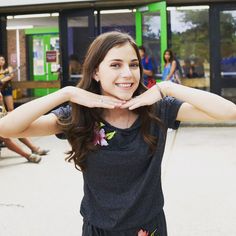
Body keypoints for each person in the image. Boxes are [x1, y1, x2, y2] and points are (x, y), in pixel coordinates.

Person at [0, 31, 235, 235]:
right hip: (98, 228)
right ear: (95, 72)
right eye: (115, 65)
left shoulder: (157, 110)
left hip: (147, 228)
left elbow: (228, 112)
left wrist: (167, 87)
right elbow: (6, 127)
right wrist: (67, 93)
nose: (128, 73)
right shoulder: (79, 115)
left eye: (134, 64)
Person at [0, 56, 49, 158]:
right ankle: (28, 155)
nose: (1, 61)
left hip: (5, 95)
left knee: (14, 126)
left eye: (2, 59)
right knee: (5, 135)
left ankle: (34, 149)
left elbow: (10, 77)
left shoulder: (7, 69)